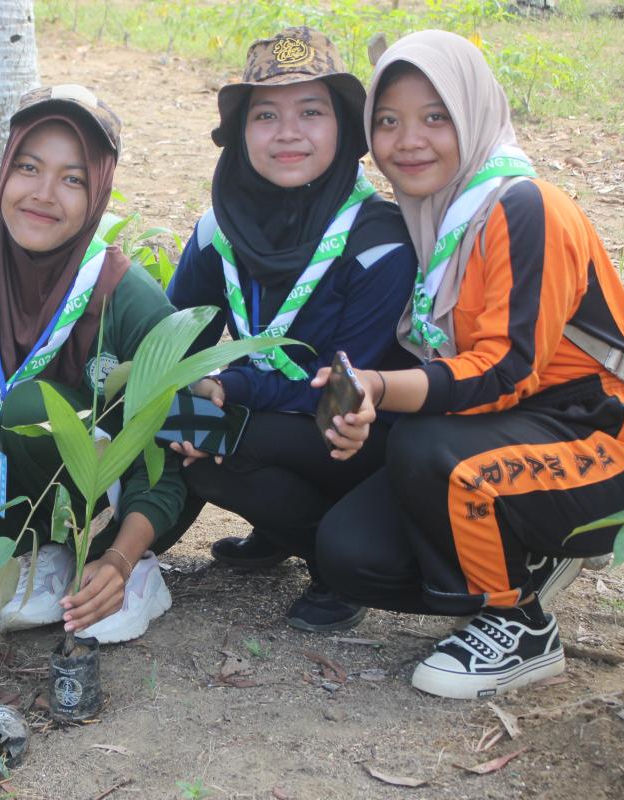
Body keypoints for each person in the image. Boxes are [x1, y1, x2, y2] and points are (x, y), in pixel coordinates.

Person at [309, 31, 624, 699]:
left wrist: (380, 388)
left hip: (609, 441)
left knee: (425, 445)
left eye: (435, 117)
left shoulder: (525, 207)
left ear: (474, 113)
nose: (407, 141)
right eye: (387, 121)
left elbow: (505, 371)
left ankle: (518, 623)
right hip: (510, 429)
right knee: (349, 556)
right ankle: (527, 556)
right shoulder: (431, 216)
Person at [0, 85, 193, 644]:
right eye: (29, 167)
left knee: (29, 407)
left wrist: (121, 558)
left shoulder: (128, 299)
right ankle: (41, 552)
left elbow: (170, 462)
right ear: (4, 172)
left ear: (99, 191)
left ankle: (130, 573)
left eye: (73, 179)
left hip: (134, 512)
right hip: (28, 502)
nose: (43, 193)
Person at [166, 27, 416, 632]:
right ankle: (278, 528)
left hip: (360, 434)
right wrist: (178, 394)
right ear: (240, 133)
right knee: (183, 431)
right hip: (273, 410)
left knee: (226, 439)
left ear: (345, 129)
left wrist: (228, 387)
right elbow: (172, 338)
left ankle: (334, 564)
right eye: (265, 115)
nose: (287, 132)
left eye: (311, 112)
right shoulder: (218, 229)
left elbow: (340, 388)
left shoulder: (379, 242)